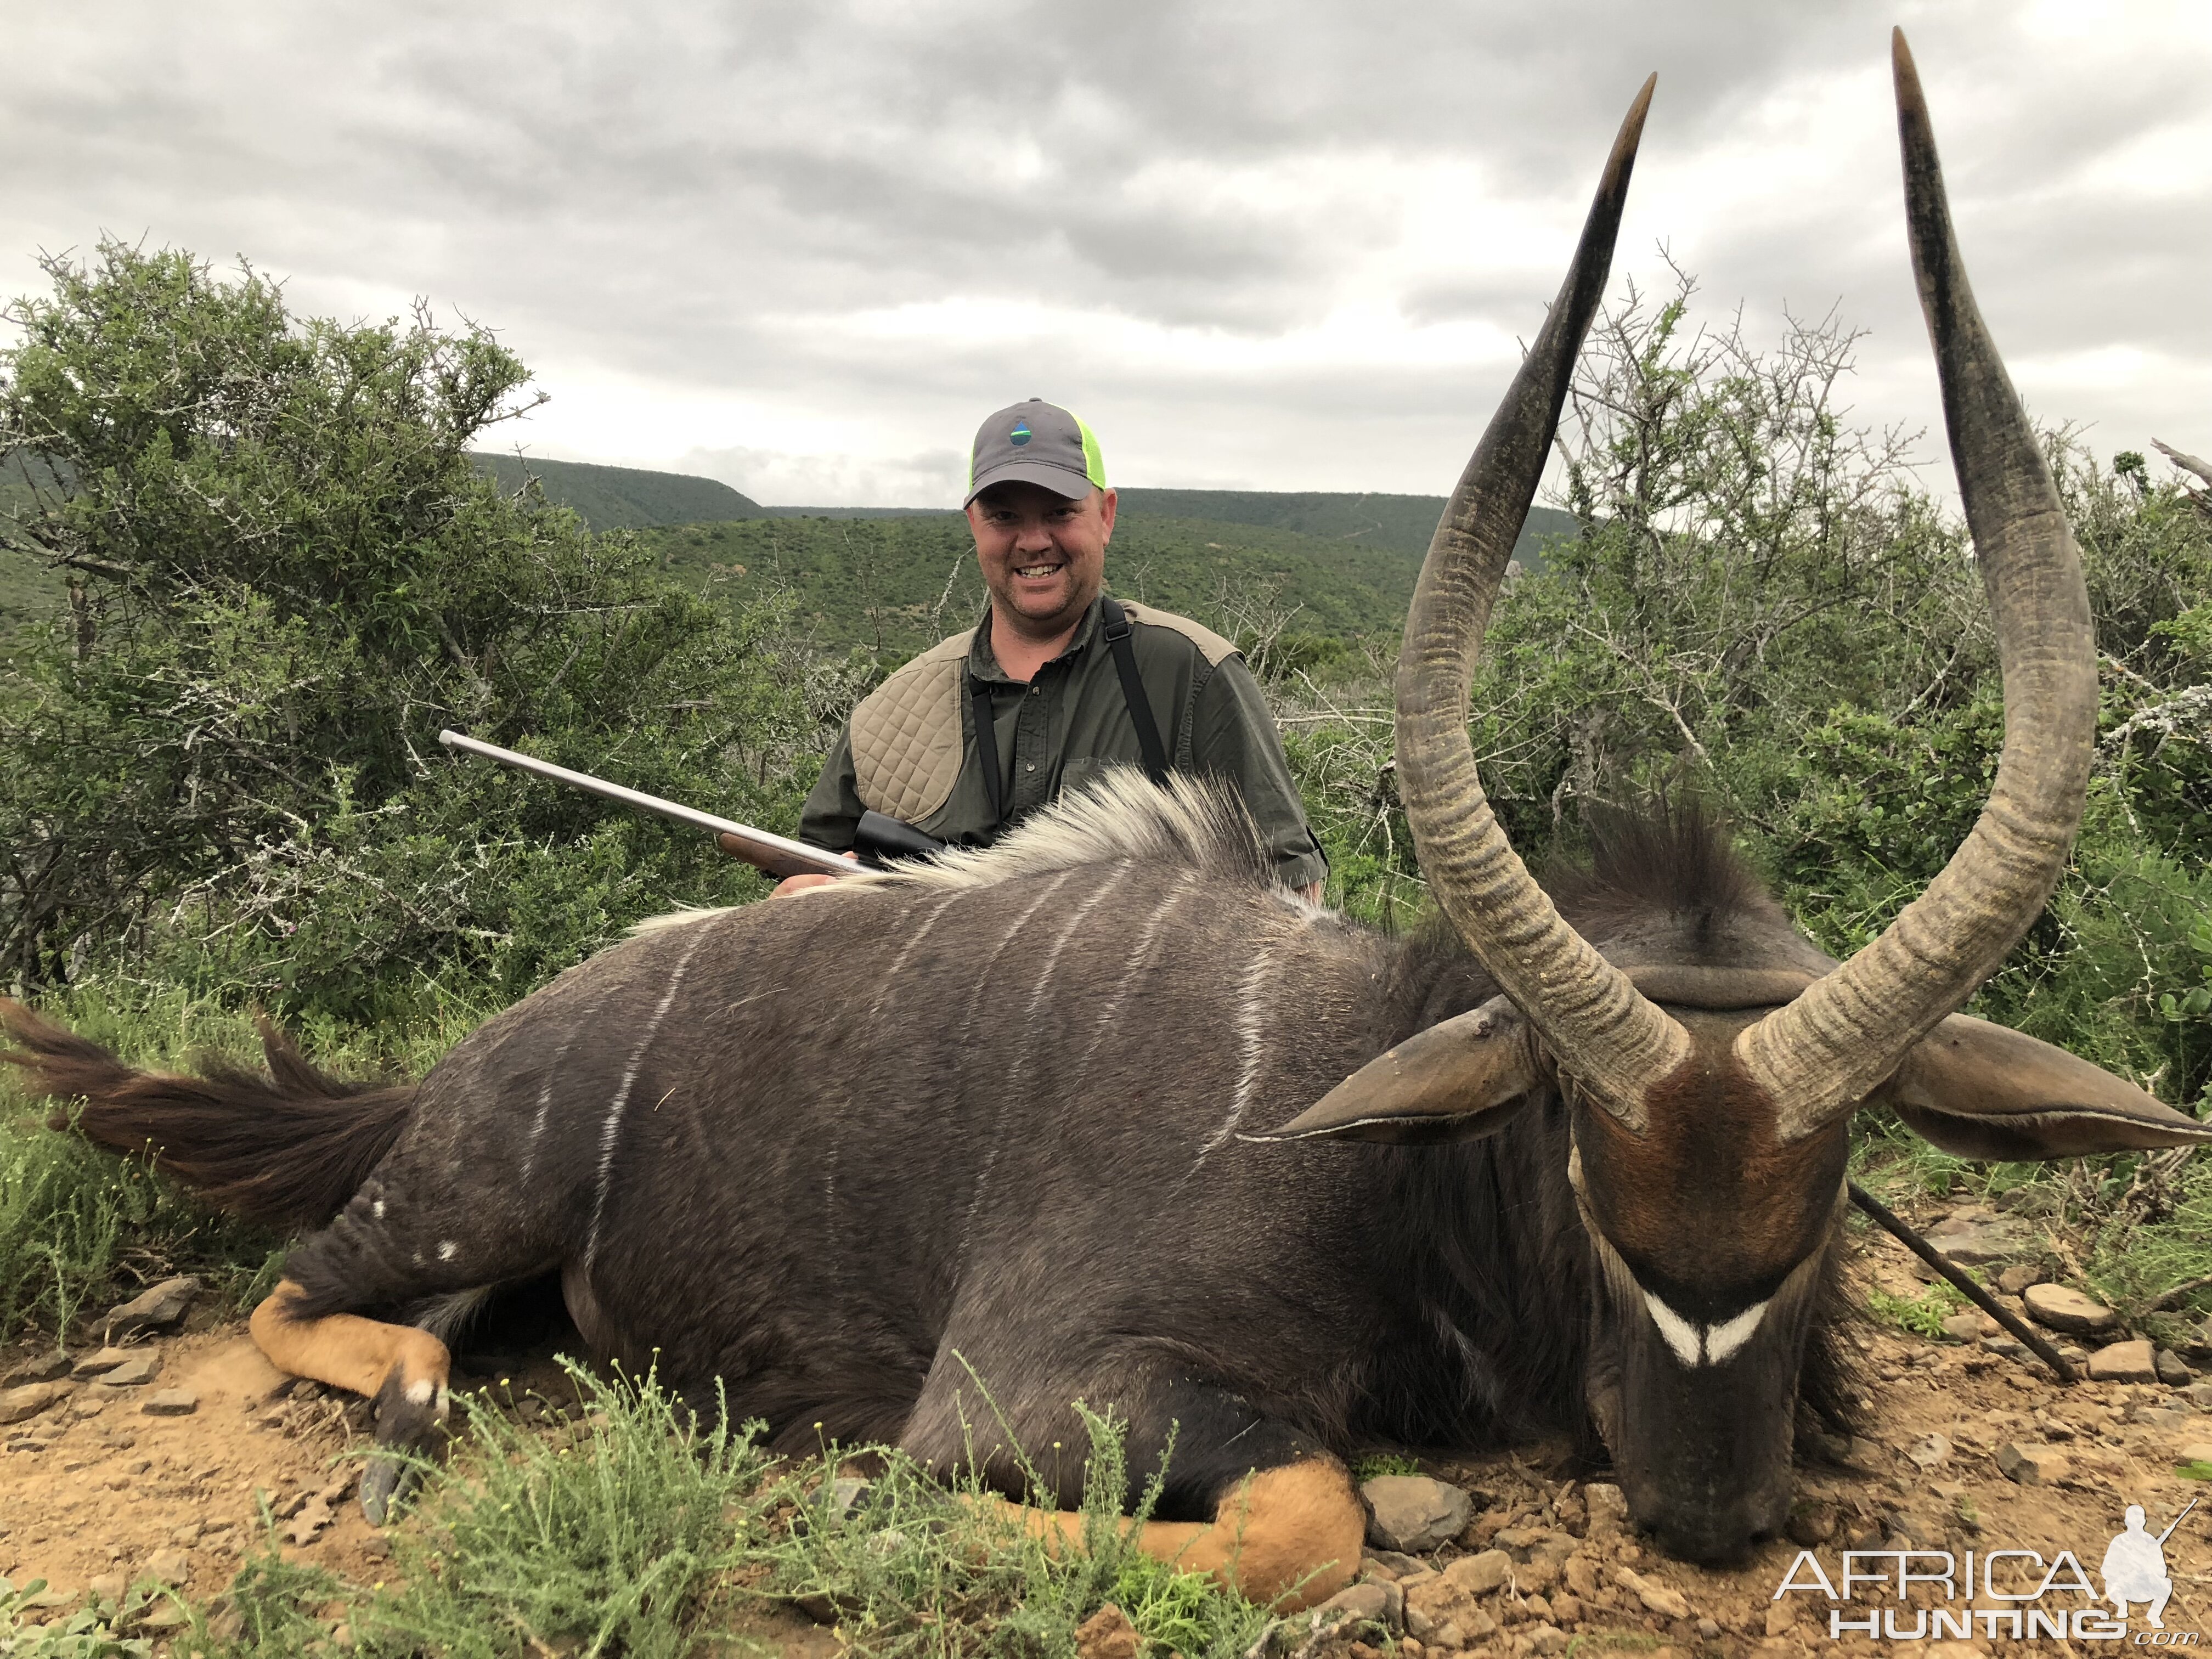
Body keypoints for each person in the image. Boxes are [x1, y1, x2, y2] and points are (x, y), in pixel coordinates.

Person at [780, 398, 1327, 899]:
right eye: (1004, 516)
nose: (1034, 541)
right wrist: (800, 902)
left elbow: (1292, 895)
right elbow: (811, 869)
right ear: (974, 524)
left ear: (1106, 515)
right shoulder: (895, 709)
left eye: (1060, 512)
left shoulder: (1193, 675)